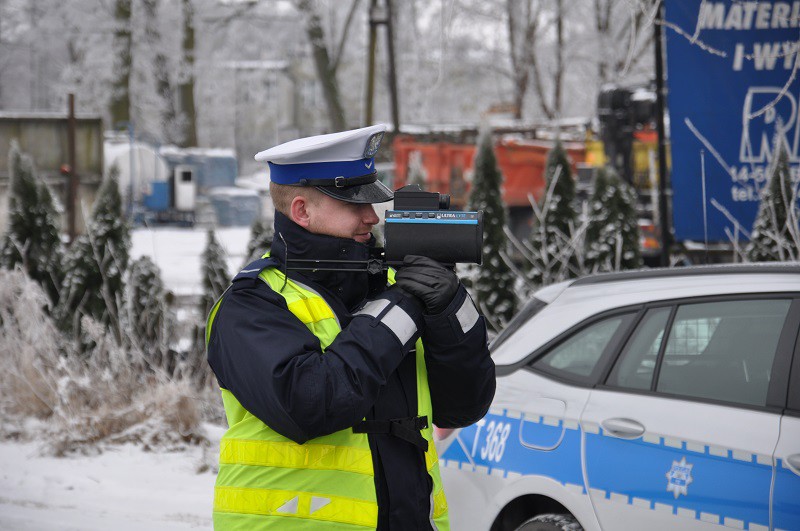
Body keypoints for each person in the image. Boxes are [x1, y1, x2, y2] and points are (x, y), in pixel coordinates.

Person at [206, 124, 495, 530]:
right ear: (302, 210)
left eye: (371, 201)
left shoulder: (393, 291)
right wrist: (401, 305)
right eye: (352, 203)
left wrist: (449, 307)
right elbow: (312, 404)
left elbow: (465, 406)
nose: (371, 216)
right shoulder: (251, 305)